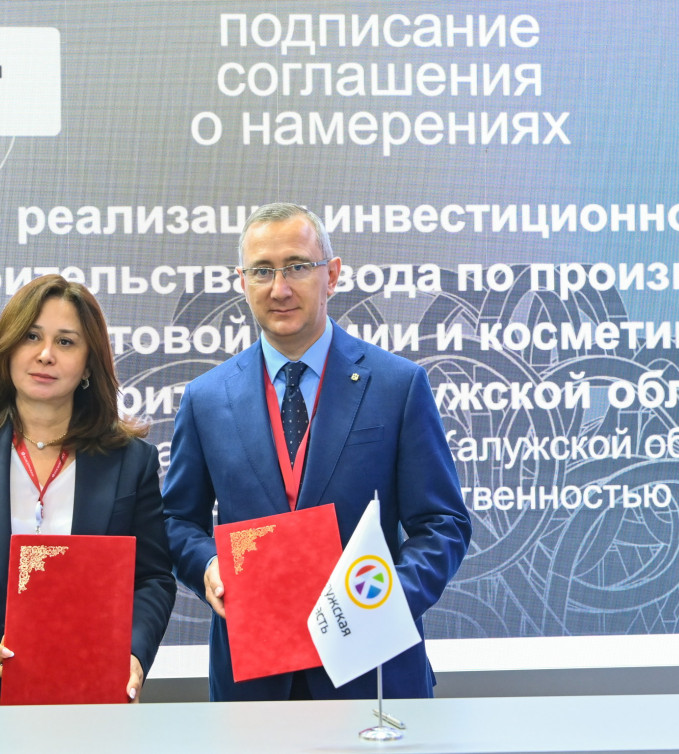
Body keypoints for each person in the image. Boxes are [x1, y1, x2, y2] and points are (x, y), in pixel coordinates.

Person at [163, 203, 471, 701]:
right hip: (254, 684)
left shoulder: (397, 385)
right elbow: (177, 521)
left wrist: (382, 603)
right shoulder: (206, 398)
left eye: (297, 267)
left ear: (331, 275)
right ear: (242, 281)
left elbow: (443, 524)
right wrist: (208, 566)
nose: (279, 288)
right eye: (262, 270)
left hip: (372, 675)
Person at [0, 274, 176, 706]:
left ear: (89, 364)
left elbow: (153, 579)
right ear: (7, 349)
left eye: (66, 342)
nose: (45, 354)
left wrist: (132, 653)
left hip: (90, 696)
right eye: (31, 336)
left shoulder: (131, 461)